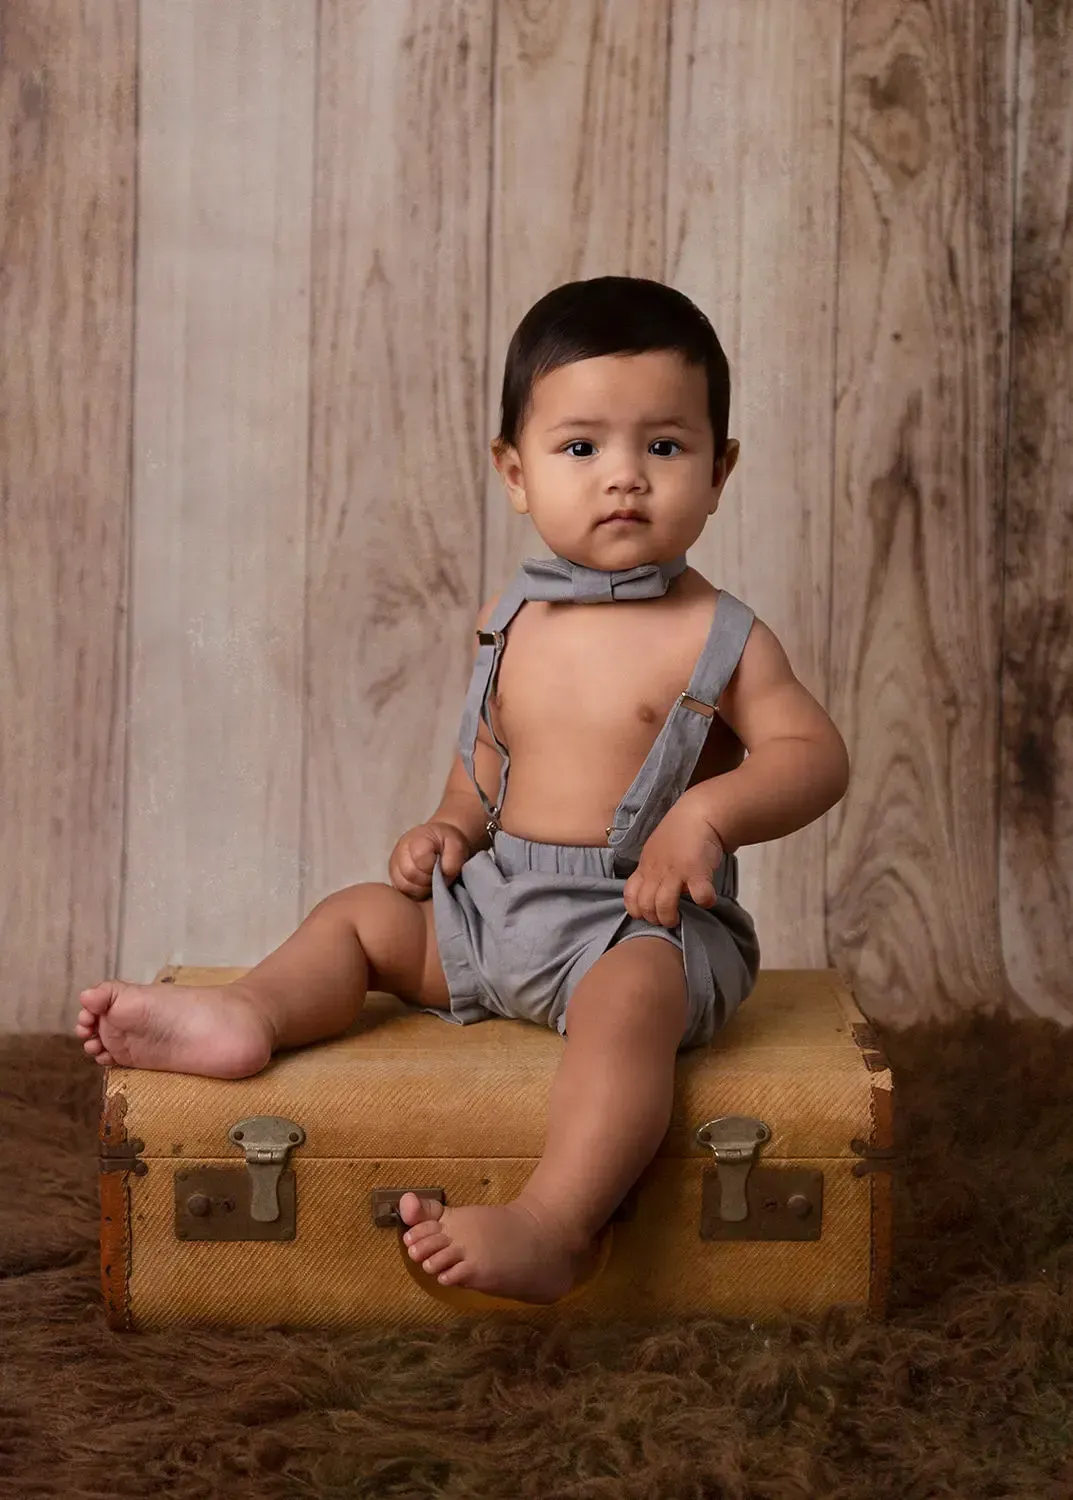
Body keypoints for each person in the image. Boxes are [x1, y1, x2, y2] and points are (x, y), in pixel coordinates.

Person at [75, 276, 850, 1305]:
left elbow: (813, 755)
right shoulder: (510, 614)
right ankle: (248, 1015)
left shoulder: (721, 635)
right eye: (582, 448)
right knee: (360, 919)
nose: (623, 478)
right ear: (515, 471)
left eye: (662, 447)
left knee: (628, 1012)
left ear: (719, 471)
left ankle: (556, 1223)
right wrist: (449, 823)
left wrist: (703, 816)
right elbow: (487, 754)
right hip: (499, 908)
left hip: (637, 924)